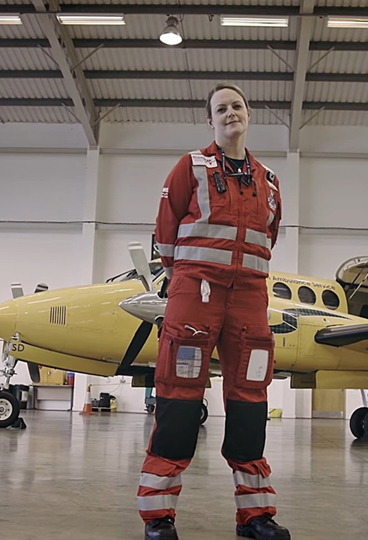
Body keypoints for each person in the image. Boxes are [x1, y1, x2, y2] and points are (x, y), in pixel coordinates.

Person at [137, 83, 290, 540]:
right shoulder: (190, 167)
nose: (230, 114)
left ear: (248, 114)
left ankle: (256, 515)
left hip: (249, 295)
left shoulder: (269, 180)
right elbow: (165, 235)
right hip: (194, 290)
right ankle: (159, 517)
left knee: (250, 400)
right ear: (211, 120)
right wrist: (187, 275)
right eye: (220, 108)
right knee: (179, 396)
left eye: (237, 106)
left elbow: (270, 237)